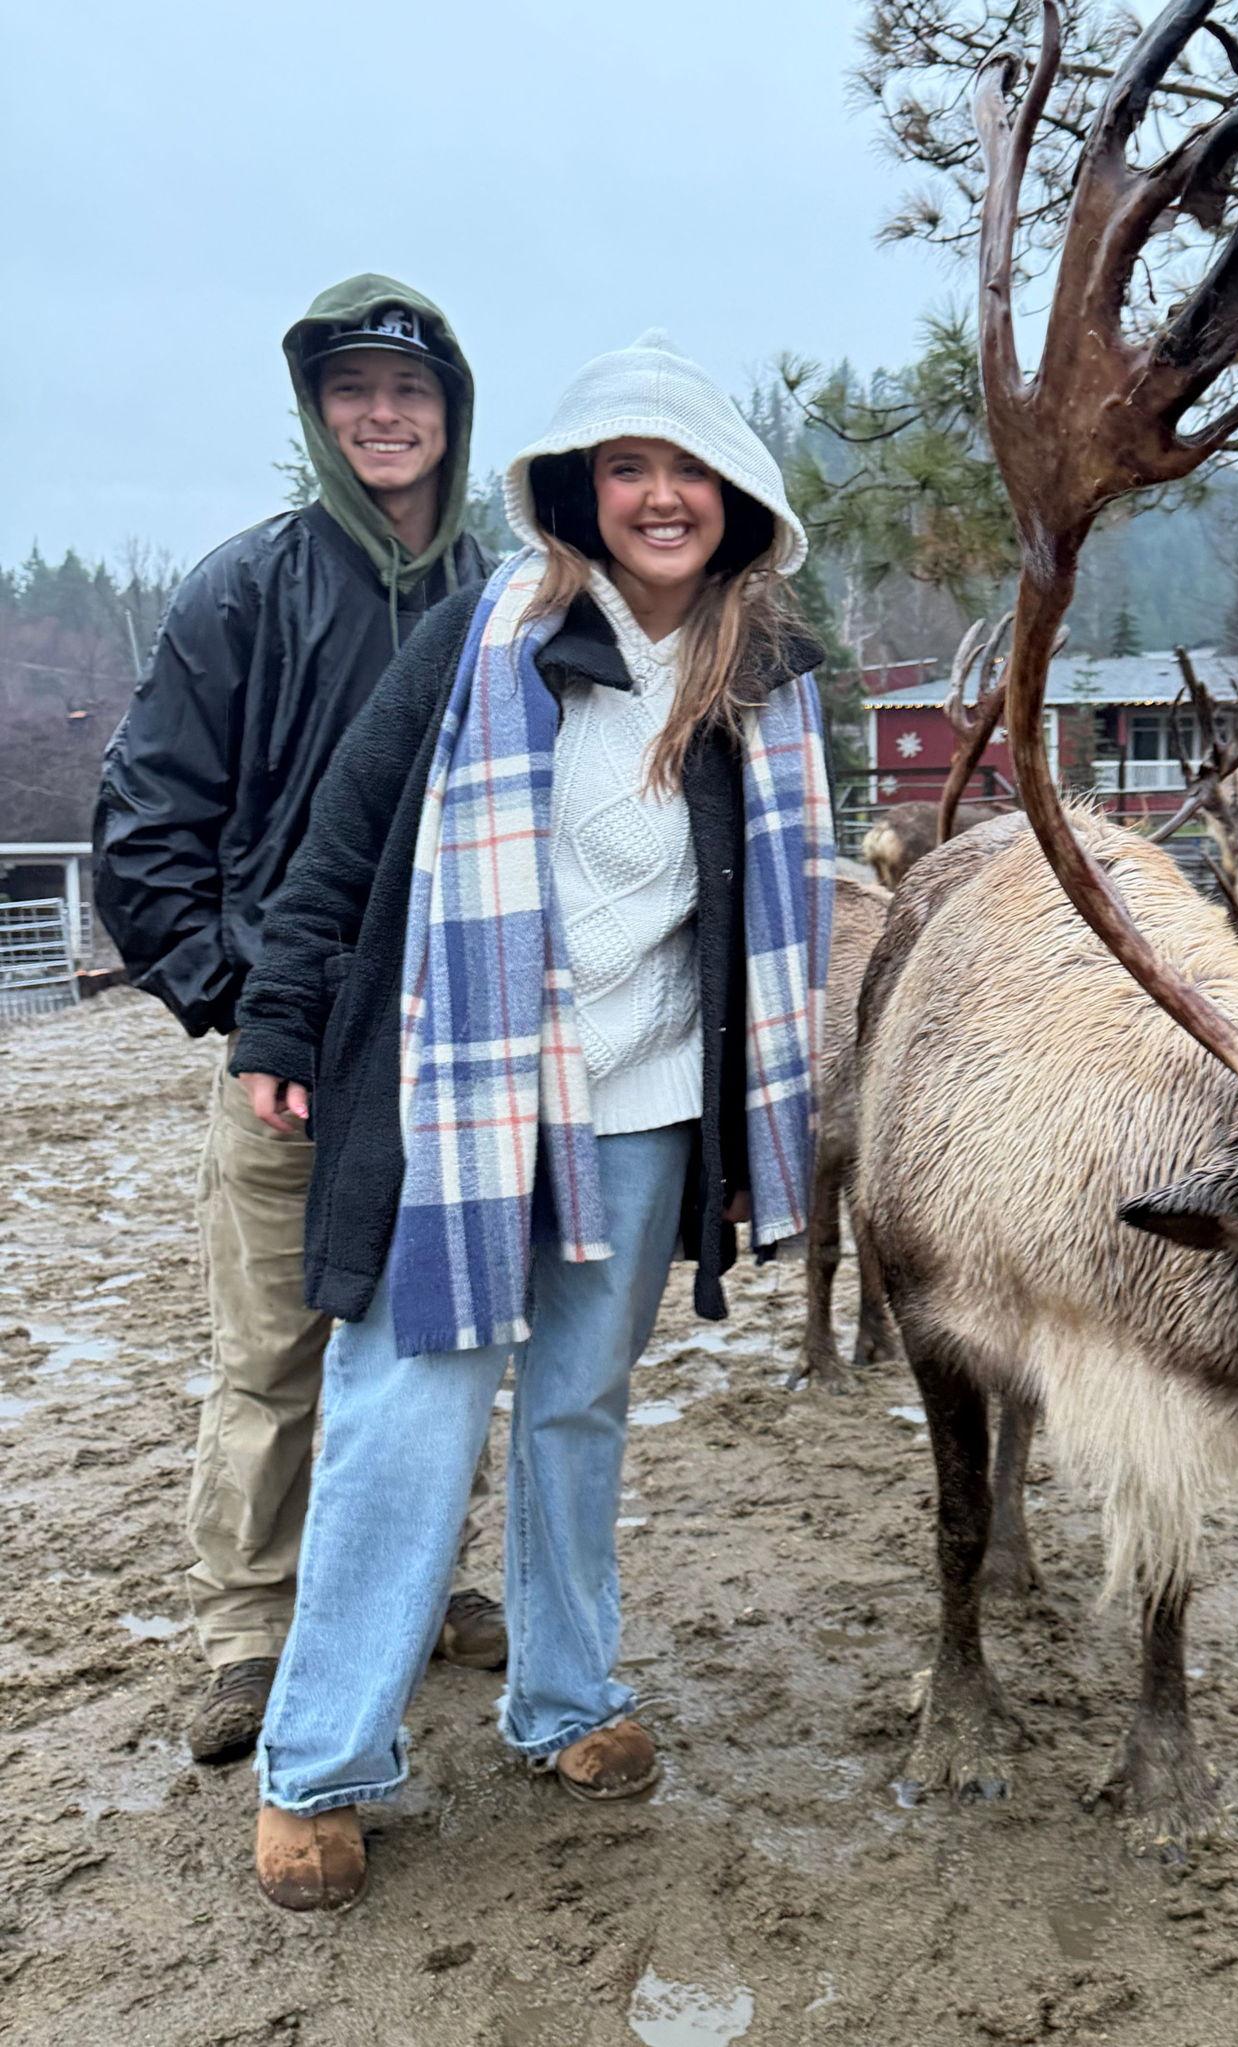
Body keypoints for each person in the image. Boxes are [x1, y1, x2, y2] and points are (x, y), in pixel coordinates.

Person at [226, 331, 834, 1912]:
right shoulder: (477, 641)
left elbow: (776, 912)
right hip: (461, 1093)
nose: (657, 496)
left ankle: (565, 1698)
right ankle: (321, 1760)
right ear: (578, 492)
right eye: (625, 468)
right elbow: (342, 835)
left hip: (646, 1103)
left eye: (684, 469)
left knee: (576, 1403)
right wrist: (279, 1024)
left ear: (735, 498)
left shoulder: (764, 676)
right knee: (401, 1411)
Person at [95, 277, 506, 1767]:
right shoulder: (243, 588)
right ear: (317, 411)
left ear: (453, 412)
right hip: (289, 1057)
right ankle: (247, 1628)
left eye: (411, 389)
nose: (383, 413)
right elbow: (143, 822)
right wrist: (236, 1003)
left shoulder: (507, 590)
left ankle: (427, 1576)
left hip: (453, 1049)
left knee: (441, 1335)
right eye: (352, 390)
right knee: (272, 1351)